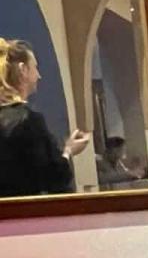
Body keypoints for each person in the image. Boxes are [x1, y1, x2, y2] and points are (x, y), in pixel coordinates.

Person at [0, 38, 90, 197]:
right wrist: (68, 151)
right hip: (25, 210)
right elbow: (54, 179)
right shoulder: (29, 121)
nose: (39, 76)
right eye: (35, 67)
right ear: (23, 70)